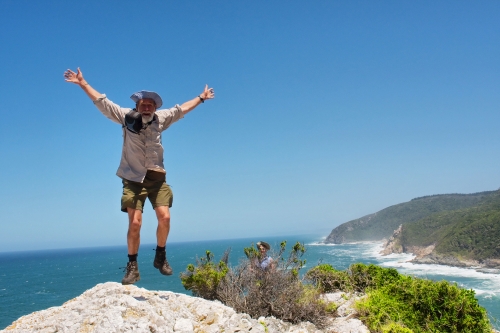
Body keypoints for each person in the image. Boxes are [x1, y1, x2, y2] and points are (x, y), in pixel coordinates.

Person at [63, 67, 214, 285]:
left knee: (166, 218)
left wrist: (201, 98)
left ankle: (160, 256)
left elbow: (181, 110)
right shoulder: (126, 117)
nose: (146, 107)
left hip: (157, 178)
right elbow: (103, 103)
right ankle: (132, 267)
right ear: (137, 106)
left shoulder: (161, 119)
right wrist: (83, 83)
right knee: (135, 223)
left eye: (150, 104)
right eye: (143, 104)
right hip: (133, 179)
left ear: (155, 107)